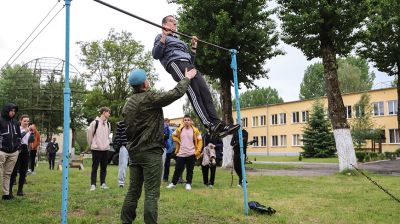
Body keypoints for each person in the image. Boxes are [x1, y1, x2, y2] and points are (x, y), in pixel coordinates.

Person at [120, 68, 196, 224]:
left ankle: (125, 221)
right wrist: (187, 78)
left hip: (134, 153)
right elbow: (174, 93)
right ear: (144, 84)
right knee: (152, 193)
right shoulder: (149, 98)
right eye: (147, 79)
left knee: (133, 192)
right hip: (151, 153)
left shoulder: (128, 104)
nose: (149, 81)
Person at [152, 15, 239, 139]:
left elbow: (191, 60)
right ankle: (209, 125)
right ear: (164, 25)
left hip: (188, 64)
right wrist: (164, 37)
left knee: (206, 93)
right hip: (176, 63)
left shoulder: (180, 41)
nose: (175, 24)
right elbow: (156, 54)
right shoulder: (160, 37)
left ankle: (218, 124)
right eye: (172, 22)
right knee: (194, 94)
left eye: (176, 22)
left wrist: (193, 47)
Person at [166, 115, 203, 191]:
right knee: (177, 169)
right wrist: (178, 141)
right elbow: (173, 135)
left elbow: (200, 140)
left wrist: (197, 151)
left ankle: (188, 184)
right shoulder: (180, 129)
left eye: (188, 120)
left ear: (191, 121)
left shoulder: (195, 130)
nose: (187, 121)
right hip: (181, 153)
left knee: (190, 170)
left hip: (191, 153)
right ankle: (173, 183)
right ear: (183, 121)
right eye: (185, 120)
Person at [87, 106, 111, 191]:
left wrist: (107, 144)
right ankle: (93, 185)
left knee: (104, 167)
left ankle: (103, 183)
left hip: (105, 149)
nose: (109, 114)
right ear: (104, 112)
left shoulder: (108, 124)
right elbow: (89, 135)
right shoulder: (95, 123)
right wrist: (91, 145)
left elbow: (108, 136)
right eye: (108, 112)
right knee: (95, 168)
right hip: (96, 149)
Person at [0, 103, 21, 200]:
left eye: (14, 111)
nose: (13, 113)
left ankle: (6, 194)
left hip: (13, 153)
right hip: (2, 151)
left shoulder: (16, 123)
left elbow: (18, 136)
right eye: (11, 110)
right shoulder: (0, 121)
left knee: (8, 173)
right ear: (6, 110)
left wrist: (17, 147)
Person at [10, 115, 30, 197]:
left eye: (27, 121)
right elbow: (18, 137)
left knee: (23, 171)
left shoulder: (28, 130)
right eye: (25, 121)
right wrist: (26, 131)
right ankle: (9, 191)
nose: (26, 123)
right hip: (17, 148)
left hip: (25, 149)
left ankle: (20, 190)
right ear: (20, 121)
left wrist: (31, 134)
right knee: (14, 171)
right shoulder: (17, 129)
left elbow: (30, 140)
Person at [114, 120, 128, 188]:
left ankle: (136, 183)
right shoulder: (121, 124)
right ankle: (121, 183)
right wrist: (120, 144)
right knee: (122, 165)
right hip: (124, 146)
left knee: (136, 166)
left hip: (135, 146)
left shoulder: (137, 121)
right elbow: (117, 136)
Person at [162, 118, 173, 182]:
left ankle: (165, 178)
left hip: (169, 150)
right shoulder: (163, 129)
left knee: (167, 164)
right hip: (163, 148)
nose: (167, 123)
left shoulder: (171, 131)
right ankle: (162, 176)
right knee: (162, 164)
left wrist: (171, 148)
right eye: (165, 122)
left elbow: (172, 140)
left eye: (168, 122)